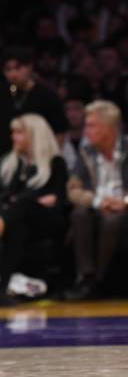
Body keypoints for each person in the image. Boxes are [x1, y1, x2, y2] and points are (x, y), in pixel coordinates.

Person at [66, 100, 128, 300]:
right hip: (95, 207)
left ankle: (98, 279)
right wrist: (97, 201)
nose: (86, 130)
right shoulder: (86, 152)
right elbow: (73, 189)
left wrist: (126, 201)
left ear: (110, 128)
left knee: (113, 220)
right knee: (79, 214)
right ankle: (87, 277)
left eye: (92, 125)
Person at [0, 114, 68, 305]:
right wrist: (29, 199)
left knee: (23, 205)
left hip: (47, 222)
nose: (14, 137)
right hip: (18, 222)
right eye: (13, 132)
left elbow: (55, 200)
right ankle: (2, 288)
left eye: (20, 133)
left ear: (35, 135)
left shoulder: (55, 163)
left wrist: (22, 200)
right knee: (18, 228)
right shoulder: (11, 163)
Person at [2, 46, 69, 146]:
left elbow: (59, 131)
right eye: (8, 69)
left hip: (39, 154)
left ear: (30, 67)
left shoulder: (47, 96)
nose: (13, 73)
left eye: (18, 67)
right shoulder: (3, 95)